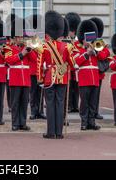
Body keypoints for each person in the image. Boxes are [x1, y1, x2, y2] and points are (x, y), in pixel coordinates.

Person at [38, 11, 74, 139]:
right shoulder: (67, 47)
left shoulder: (44, 46)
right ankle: (59, 133)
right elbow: (73, 64)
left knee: (50, 105)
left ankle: (50, 132)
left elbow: (39, 64)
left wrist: (39, 78)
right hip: (62, 77)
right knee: (60, 104)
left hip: (49, 78)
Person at [73, 20, 108, 131]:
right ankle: (84, 123)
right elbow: (76, 61)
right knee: (84, 102)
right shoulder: (77, 49)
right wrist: (86, 53)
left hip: (95, 79)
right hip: (84, 79)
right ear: (82, 39)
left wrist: (95, 52)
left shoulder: (96, 48)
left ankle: (91, 122)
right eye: (85, 39)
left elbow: (103, 56)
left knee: (93, 102)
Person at [3, 17, 36, 132]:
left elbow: (34, 59)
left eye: (22, 37)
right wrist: (21, 54)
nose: (20, 39)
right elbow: (9, 60)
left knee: (24, 103)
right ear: (14, 38)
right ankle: (15, 123)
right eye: (18, 37)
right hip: (15, 79)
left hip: (25, 79)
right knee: (15, 103)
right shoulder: (9, 48)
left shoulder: (27, 48)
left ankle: (23, 123)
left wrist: (29, 49)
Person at [89, 17, 110, 120]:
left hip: (98, 73)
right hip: (89, 73)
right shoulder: (87, 43)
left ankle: (95, 112)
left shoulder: (102, 43)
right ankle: (88, 113)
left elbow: (104, 55)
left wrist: (96, 51)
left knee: (96, 94)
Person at [27, 14, 46, 121]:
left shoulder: (41, 42)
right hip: (33, 70)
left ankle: (40, 111)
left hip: (41, 70)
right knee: (33, 92)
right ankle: (34, 112)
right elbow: (33, 58)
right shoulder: (29, 43)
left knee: (40, 92)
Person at [66, 13, 81, 114]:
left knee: (76, 87)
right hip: (67, 67)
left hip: (75, 67)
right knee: (68, 87)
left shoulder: (77, 41)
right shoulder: (66, 40)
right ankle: (69, 105)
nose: (71, 33)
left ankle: (75, 105)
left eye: (72, 31)